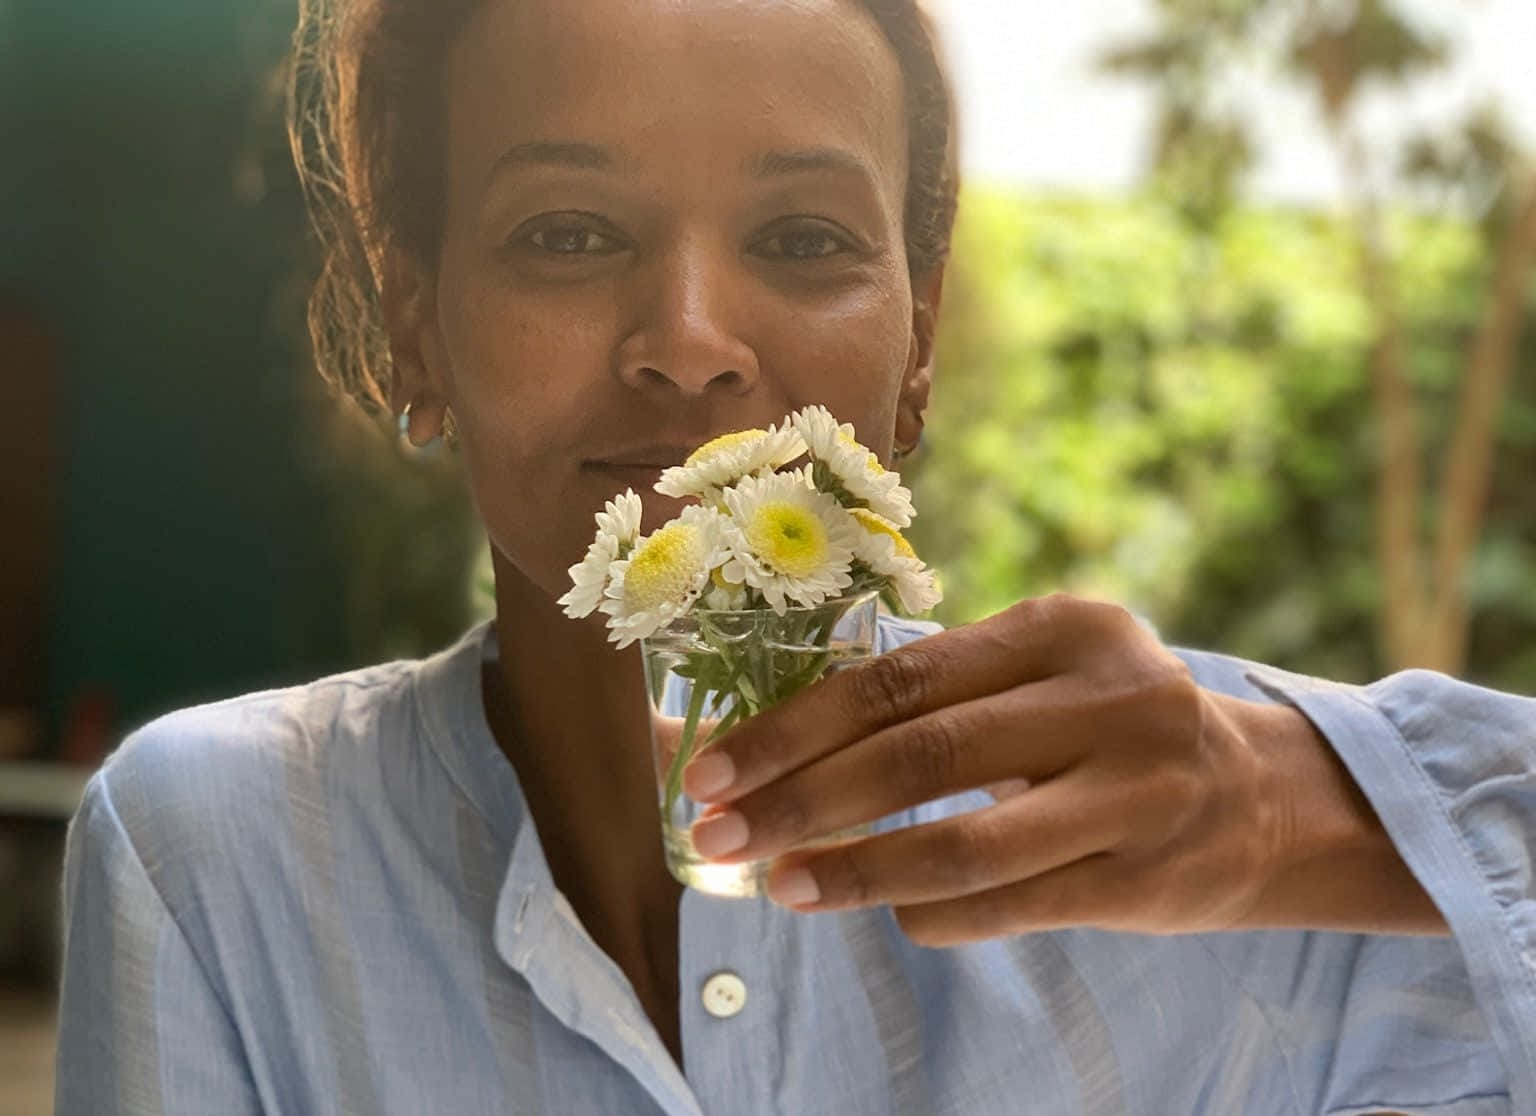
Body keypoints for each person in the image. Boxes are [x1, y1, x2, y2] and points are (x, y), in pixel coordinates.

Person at [53, 0, 1536, 1112]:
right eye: (567, 234)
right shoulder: (223, 858)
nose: (691, 344)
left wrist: (1302, 820)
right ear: (413, 326)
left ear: (921, 338)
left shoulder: (1183, 840)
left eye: (808, 238)